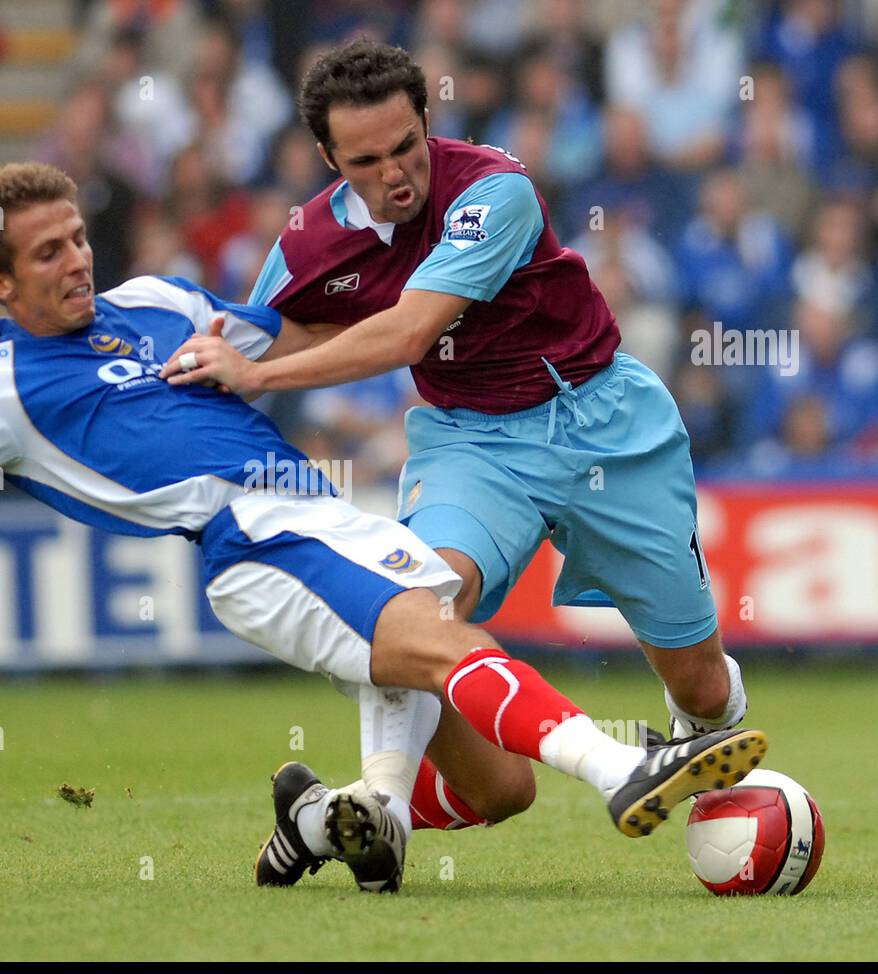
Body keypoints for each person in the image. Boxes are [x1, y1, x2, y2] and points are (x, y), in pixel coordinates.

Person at [0, 162, 768, 894]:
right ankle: (618, 764)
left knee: (495, 789)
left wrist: (403, 289)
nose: (74, 261)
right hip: (250, 542)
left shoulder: (156, 299)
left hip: (320, 512)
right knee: (444, 624)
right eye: (44, 254)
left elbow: (280, 316)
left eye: (75, 238)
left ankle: (335, 814)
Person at [161, 41, 757, 833]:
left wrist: (255, 373)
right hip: (473, 446)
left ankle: (691, 743)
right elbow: (256, 337)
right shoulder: (307, 243)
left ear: (426, 122)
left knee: (703, 689)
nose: (395, 173)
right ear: (326, 155)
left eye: (406, 145)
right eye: (366, 160)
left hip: (608, 426)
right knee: (419, 604)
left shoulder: (493, 190)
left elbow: (407, 332)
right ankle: (378, 804)